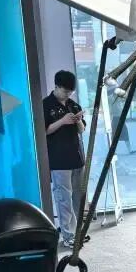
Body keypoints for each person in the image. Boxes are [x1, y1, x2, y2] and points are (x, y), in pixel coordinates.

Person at [43, 70, 85, 247]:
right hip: (59, 160)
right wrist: (62, 121)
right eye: (65, 91)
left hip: (77, 158)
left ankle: (78, 233)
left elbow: (82, 130)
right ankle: (68, 236)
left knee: (78, 197)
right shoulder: (45, 105)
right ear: (57, 86)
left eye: (71, 92)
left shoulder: (73, 105)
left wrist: (78, 120)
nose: (68, 94)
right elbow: (43, 131)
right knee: (64, 199)